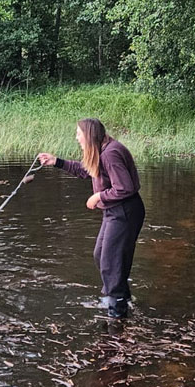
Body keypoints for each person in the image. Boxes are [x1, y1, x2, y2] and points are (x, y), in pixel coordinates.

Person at [38, 118, 145, 318]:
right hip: (115, 211)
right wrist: (56, 162)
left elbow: (125, 188)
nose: (76, 137)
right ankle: (122, 297)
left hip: (125, 212)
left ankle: (117, 313)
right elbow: (87, 170)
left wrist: (99, 196)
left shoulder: (111, 154)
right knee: (101, 255)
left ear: (89, 135)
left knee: (110, 261)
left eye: (79, 133)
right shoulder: (101, 150)